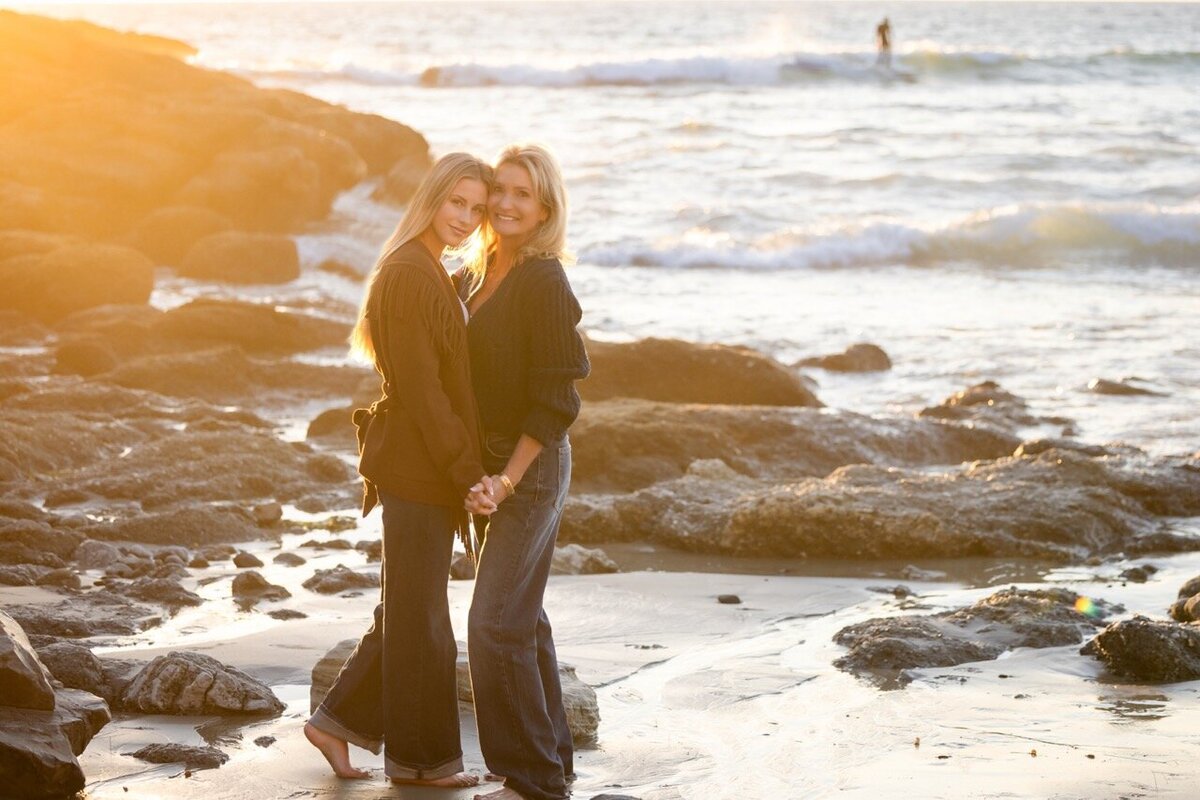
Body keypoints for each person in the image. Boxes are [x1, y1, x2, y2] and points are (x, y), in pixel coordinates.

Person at [304, 152, 498, 788]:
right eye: (456, 202)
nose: (465, 219)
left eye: (477, 209)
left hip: (422, 464)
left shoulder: (428, 267)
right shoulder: (410, 273)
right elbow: (421, 390)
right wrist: (466, 470)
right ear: (432, 197)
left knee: (407, 610)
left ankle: (335, 722)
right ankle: (420, 761)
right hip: (418, 468)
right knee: (421, 619)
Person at [456, 144, 590, 800]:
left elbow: (557, 398)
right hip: (487, 472)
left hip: (529, 469)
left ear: (544, 210)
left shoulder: (543, 280)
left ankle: (531, 780)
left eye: (522, 195)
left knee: (494, 624)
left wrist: (506, 479)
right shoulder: (474, 275)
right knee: (523, 620)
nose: (506, 204)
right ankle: (552, 761)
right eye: (500, 191)